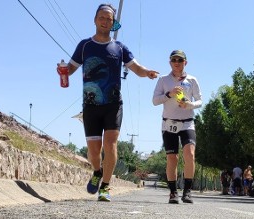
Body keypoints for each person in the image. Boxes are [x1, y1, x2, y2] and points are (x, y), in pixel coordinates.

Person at [63, 4, 159, 202]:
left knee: (110, 143)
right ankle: (97, 171)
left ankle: (105, 187)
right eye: (102, 17)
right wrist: (62, 70)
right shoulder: (84, 45)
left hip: (113, 104)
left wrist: (147, 72)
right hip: (90, 104)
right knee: (94, 151)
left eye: (109, 19)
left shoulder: (120, 48)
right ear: (95, 19)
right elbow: (70, 69)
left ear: (114, 23)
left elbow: (137, 68)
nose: (105, 21)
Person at [152, 49, 202, 204]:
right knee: (172, 158)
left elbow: (200, 101)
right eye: (174, 60)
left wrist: (190, 105)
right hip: (169, 123)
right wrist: (169, 94)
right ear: (170, 62)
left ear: (185, 62)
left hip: (187, 122)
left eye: (180, 60)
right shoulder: (163, 80)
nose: (177, 63)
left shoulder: (192, 80)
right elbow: (155, 101)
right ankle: (173, 193)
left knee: (190, 154)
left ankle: (187, 191)